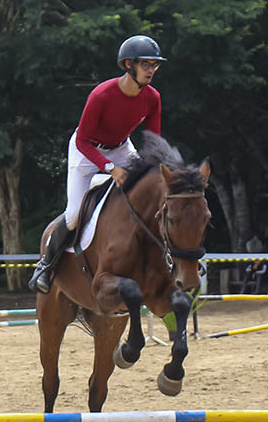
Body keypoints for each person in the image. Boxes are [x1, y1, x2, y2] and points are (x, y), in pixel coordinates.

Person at [29, 35, 166, 293]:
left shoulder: (153, 97)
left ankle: (171, 259)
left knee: (153, 190)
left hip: (122, 148)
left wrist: (157, 169)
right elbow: (82, 141)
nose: (151, 70)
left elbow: (153, 142)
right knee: (72, 215)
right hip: (87, 151)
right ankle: (45, 266)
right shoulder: (102, 94)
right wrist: (109, 168)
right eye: (146, 64)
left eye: (154, 65)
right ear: (128, 65)